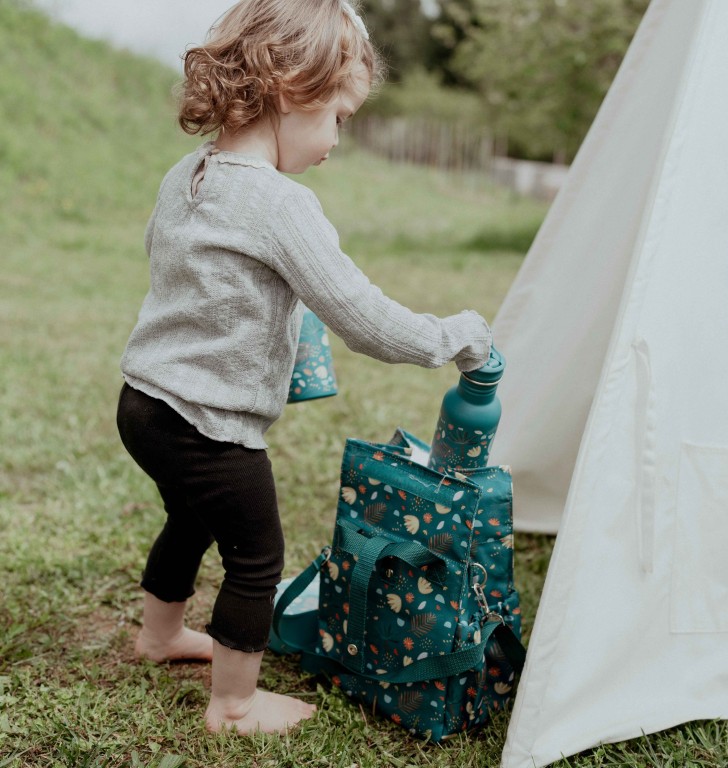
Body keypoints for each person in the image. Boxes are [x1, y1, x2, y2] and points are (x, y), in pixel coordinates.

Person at [116, 0, 492, 737]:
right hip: (210, 422)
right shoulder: (281, 205)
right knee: (256, 553)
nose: (337, 141)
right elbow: (365, 318)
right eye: (340, 118)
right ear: (291, 87)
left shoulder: (187, 174)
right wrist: (451, 336)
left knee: (190, 517)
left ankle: (157, 636)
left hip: (145, 403)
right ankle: (233, 705)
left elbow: (195, 283)